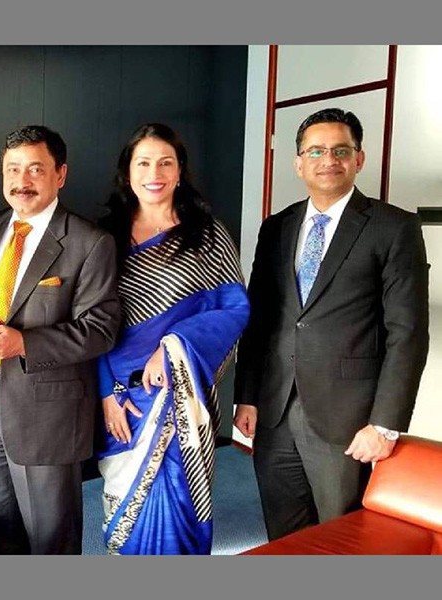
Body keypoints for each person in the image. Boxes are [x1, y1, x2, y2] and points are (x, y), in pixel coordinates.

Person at [234, 108, 429, 541]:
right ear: (298, 162)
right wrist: (246, 396)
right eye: (316, 151)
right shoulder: (277, 227)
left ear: (359, 159)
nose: (329, 160)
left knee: (342, 533)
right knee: (284, 532)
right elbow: (259, 318)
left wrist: (384, 424)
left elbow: (408, 334)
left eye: (341, 150)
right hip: (275, 408)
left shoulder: (393, 227)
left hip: (347, 418)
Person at [0, 125, 121, 554]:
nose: (21, 181)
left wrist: (23, 344)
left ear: (60, 175)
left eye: (35, 169)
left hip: (48, 413)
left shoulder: (90, 241)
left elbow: (100, 329)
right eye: (13, 169)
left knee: (52, 540)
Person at [95, 123, 250, 555]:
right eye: (143, 162)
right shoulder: (102, 238)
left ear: (180, 170)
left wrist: (173, 345)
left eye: (166, 162)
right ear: (127, 172)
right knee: (126, 502)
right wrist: (108, 392)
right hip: (122, 395)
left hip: (183, 394)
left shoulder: (208, 233)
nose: (154, 172)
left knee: (180, 503)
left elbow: (234, 308)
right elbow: (89, 321)